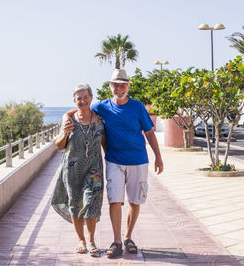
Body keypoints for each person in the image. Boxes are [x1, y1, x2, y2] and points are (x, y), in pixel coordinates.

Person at [64, 69, 163, 258]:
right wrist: (64, 117)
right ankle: (117, 241)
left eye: (123, 84)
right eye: (115, 85)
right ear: (110, 87)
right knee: (115, 200)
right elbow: (81, 109)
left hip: (138, 160)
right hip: (114, 161)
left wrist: (158, 157)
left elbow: (149, 133)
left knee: (135, 201)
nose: (119, 88)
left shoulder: (137, 106)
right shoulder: (103, 106)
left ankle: (128, 237)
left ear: (128, 86)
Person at [51, 83, 106, 256]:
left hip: (94, 168)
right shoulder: (69, 120)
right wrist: (65, 133)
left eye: (85, 97)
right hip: (72, 169)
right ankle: (81, 239)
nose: (82, 101)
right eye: (78, 98)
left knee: (91, 203)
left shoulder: (100, 119)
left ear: (91, 98)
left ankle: (91, 241)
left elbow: (105, 143)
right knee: (75, 205)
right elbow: (59, 146)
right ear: (74, 100)